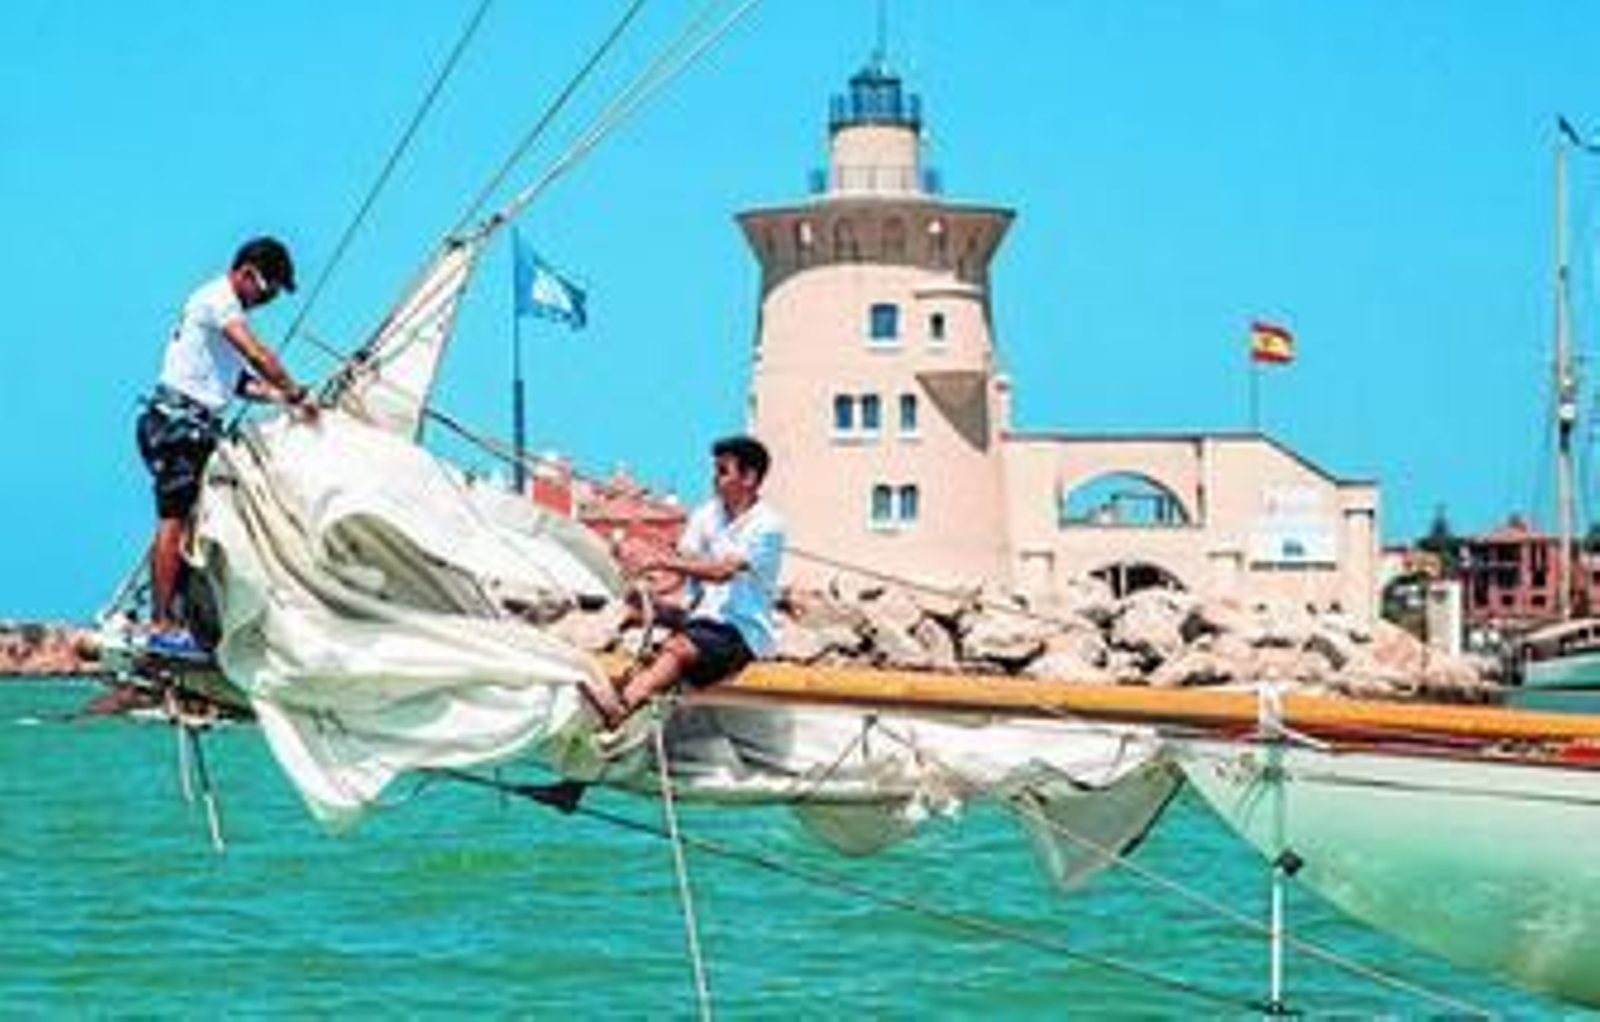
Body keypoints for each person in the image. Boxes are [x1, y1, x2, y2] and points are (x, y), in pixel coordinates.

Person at [136, 236, 316, 656]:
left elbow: (237, 383)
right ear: (249, 274)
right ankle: (161, 625)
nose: (266, 301)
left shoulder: (220, 309)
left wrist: (283, 398)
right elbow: (258, 355)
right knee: (173, 521)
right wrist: (294, 390)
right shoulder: (219, 301)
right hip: (176, 427)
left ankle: (179, 619)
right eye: (269, 291)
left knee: (185, 522)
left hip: (188, 428)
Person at [585, 434, 785, 730]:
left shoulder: (767, 525)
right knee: (635, 607)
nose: (714, 479)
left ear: (749, 477)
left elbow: (722, 572)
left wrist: (659, 560)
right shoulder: (707, 514)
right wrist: (647, 586)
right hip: (700, 617)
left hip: (740, 630)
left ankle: (621, 707)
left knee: (679, 648)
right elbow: (682, 569)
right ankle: (603, 677)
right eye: (715, 471)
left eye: (723, 471)